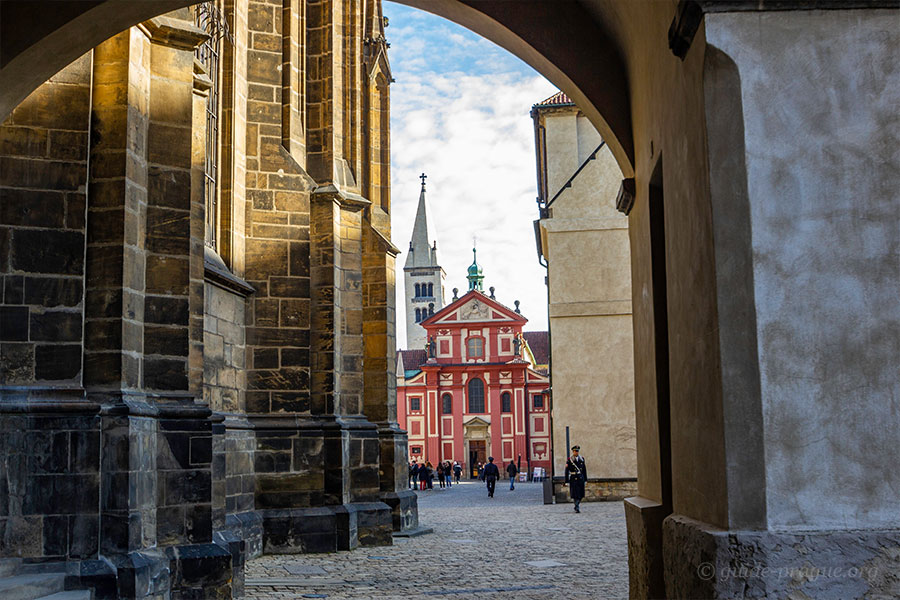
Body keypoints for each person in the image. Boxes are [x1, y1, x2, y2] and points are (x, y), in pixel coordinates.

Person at [564, 445, 587, 512]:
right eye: (575, 451)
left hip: (580, 478)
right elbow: (566, 471)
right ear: (573, 452)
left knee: (581, 494)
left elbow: (584, 470)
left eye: (577, 451)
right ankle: (576, 506)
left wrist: (585, 479)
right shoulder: (570, 460)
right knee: (575, 494)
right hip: (573, 478)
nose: (576, 452)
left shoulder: (582, 459)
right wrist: (566, 481)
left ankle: (577, 504)